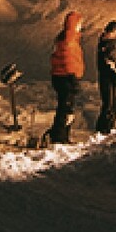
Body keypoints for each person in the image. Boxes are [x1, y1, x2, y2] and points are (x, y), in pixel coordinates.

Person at [48, 10, 85, 145]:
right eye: (79, 23)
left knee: (65, 108)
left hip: (62, 77)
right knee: (66, 109)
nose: (81, 26)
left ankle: (59, 134)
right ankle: (59, 136)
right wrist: (73, 77)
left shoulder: (67, 38)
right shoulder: (69, 39)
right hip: (67, 78)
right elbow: (69, 60)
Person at [96, 19, 116, 134]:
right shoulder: (106, 45)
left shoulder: (115, 44)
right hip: (109, 79)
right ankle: (104, 130)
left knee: (114, 105)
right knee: (109, 105)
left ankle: (106, 128)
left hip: (114, 78)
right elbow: (110, 61)